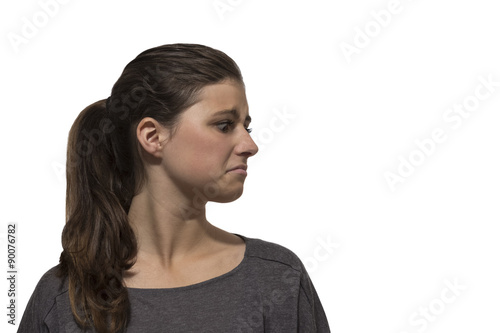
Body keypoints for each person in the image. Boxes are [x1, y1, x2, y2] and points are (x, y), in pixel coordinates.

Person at [18, 43, 331, 332]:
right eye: (224, 125)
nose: (250, 145)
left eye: (246, 127)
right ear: (153, 137)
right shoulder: (63, 297)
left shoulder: (277, 279)